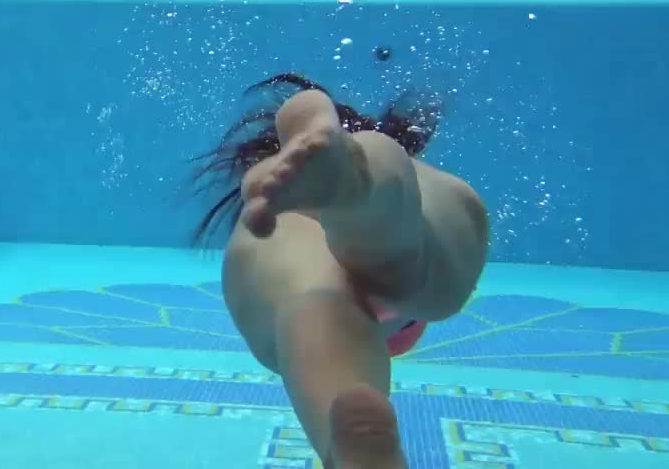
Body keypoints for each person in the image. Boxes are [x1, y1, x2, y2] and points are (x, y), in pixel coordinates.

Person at [191, 73, 490, 469]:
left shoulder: (276, 213)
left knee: (310, 303)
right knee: (433, 278)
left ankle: (345, 444)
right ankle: (368, 177)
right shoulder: (418, 182)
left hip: (275, 243)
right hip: (409, 205)